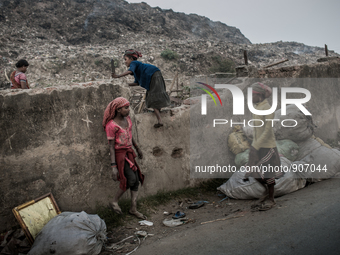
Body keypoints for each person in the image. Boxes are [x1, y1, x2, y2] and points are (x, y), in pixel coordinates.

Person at [103, 97, 146, 219]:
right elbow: (111, 147)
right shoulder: (111, 126)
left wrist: (137, 148)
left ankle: (133, 208)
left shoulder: (127, 119)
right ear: (118, 109)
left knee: (136, 179)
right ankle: (114, 201)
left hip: (129, 152)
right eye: (126, 108)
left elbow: (130, 135)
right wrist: (113, 167)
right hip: (120, 155)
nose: (129, 110)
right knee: (130, 179)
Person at [244, 82, 284, 211]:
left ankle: (271, 199)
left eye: (252, 95)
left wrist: (256, 145)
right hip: (257, 146)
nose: (250, 98)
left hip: (267, 147)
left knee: (268, 174)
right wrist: (253, 145)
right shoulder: (256, 108)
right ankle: (267, 193)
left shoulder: (267, 108)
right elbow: (256, 129)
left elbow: (267, 131)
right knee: (253, 172)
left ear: (259, 95)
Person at [111, 49, 170, 128]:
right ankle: (159, 117)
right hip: (155, 75)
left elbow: (130, 71)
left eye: (126, 59)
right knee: (152, 96)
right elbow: (137, 83)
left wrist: (118, 76)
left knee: (152, 97)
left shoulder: (134, 63)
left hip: (154, 75)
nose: (125, 62)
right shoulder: (137, 70)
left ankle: (160, 120)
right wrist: (126, 84)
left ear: (131, 59)